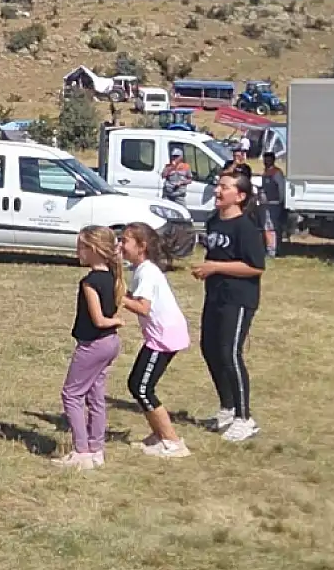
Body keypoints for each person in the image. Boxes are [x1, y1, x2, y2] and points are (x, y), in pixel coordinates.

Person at [192, 171, 267, 442]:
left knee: (230, 353)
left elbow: (256, 267)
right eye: (217, 186)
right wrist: (207, 269)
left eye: (224, 187)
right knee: (210, 349)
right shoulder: (214, 222)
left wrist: (215, 267)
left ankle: (245, 418)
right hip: (215, 296)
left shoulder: (245, 227)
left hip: (239, 299)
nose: (217, 191)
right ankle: (227, 408)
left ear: (240, 195)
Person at [54, 225, 124, 469]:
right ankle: (97, 449)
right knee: (96, 396)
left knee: (72, 394)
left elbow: (99, 320)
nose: (78, 251)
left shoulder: (90, 282)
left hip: (93, 345)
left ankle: (81, 452)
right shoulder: (112, 277)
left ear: (94, 249)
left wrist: (115, 321)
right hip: (110, 343)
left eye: (82, 247)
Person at [119, 223, 191, 458]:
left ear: (142, 247)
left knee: (141, 387)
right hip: (159, 335)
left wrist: (119, 297)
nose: (121, 245)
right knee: (138, 384)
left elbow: (143, 307)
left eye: (125, 241)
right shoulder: (141, 269)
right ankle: (159, 435)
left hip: (164, 337)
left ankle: (173, 442)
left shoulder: (147, 272)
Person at [260, 152, 288, 256]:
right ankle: (274, 248)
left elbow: (281, 188)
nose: (265, 162)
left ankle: (272, 250)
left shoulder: (276, 173)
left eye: (268, 160)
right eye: (264, 160)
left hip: (274, 204)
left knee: (270, 227)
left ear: (273, 160)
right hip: (266, 204)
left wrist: (280, 201)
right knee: (269, 226)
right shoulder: (265, 172)